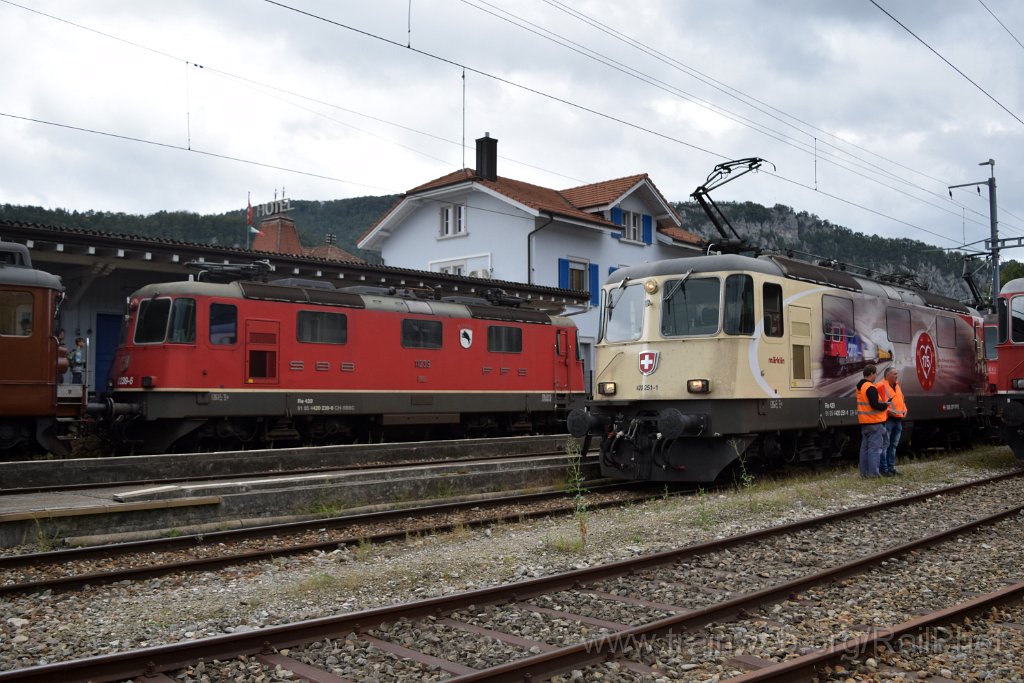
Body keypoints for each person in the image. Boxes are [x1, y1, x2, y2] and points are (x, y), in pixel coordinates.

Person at [856, 364, 889, 478]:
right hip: (874, 422)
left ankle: (864, 473)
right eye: (875, 373)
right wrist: (885, 405)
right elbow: (875, 405)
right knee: (874, 449)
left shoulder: (860, 387)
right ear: (871, 374)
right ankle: (873, 474)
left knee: (864, 449)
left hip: (864, 423)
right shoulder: (870, 387)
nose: (876, 375)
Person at [876, 367, 907, 476]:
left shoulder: (897, 385)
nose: (896, 376)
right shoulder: (880, 386)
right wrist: (889, 411)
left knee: (893, 445)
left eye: (896, 374)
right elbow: (877, 404)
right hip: (887, 420)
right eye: (894, 374)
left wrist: (905, 410)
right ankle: (884, 470)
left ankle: (891, 468)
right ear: (888, 375)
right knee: (885, 445)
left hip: (898, 420)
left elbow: (901, 400)